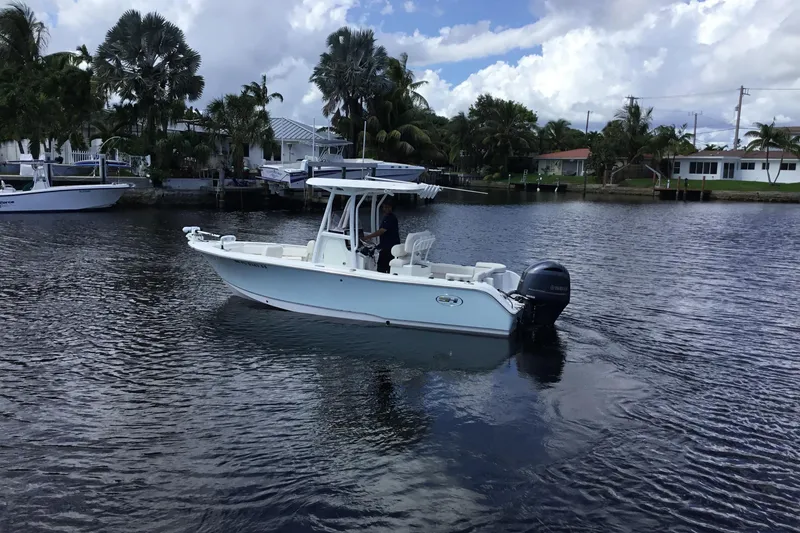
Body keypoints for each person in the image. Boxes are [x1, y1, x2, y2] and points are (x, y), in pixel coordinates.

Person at [362, 199, 401, 273]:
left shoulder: (390, 218)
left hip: (389, 246)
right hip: (389, 245)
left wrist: (367, 237)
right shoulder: (390, 217)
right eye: (384, 207)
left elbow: (382, 231)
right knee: (386, 265)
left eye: (387, 207)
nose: (385, 209)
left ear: (391, 208)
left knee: (381, 267)